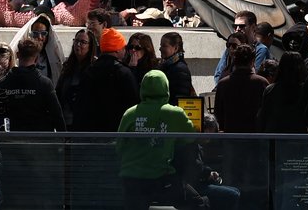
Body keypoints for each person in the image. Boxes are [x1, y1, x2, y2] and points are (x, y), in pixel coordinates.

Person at [116, 69, 209, 210]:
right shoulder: (174, 113)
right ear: (166, 88)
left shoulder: (130, 113)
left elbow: (119, 146)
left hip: (131, 180)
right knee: (199, 203)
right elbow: (191, 139)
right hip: (161, 180)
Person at [73, 27, 139, 132]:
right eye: (123, 47)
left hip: (90, 133)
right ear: (117, 49)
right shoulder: (123, 72)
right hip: (117, 132)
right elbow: (133, 104)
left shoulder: (90, 70)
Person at [0, 38, 65, 131]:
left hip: (13, 139)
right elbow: (57, 115)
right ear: (37, 59)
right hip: (40, 140)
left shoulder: (3, 83)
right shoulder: (45, 84)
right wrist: (64, 139)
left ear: (17, 55)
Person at [214, 44, 267, 133]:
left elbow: (218, 114)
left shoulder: (223, 84)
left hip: (230, 137)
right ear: (253, 61)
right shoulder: (262, 83)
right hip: (255, 138)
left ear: (234, 61)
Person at [212, 10, 268, 82]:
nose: (237, 29)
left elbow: (254, 76)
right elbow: (218, 75)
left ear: (253, 27)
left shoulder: (260, 49)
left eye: (242, 26)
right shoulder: (231, 47)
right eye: (235, 26)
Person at [56, 29, 97, 127]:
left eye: (83, 42)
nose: (78, 45)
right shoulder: (67, 66)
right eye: (76, 41)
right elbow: (59, 92)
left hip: (86, 123)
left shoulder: (95, 67)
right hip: (67, 121)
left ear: (90, 46)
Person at [9, 14, 63, 83]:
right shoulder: (20, 56)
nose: (39, 37)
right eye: (35, 33)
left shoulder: (54, 57)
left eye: (43, 33)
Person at [156, 32, 195, 105]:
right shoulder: (163, 65)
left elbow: (181, 98)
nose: (160, 49)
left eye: (164, 46)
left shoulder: (180, 69)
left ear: (176, 48)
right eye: (161, 45)